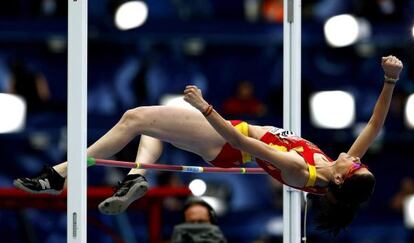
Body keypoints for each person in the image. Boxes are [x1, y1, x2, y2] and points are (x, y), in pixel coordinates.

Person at [13, 55, 403, 235]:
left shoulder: (301, 170)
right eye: (358, 161)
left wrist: (205, 108)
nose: (353, 157)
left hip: (228, 140)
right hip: (229, 139)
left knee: (134, 118)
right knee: (154, 126)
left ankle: (61, 173)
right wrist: (389, 82)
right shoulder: (336, 170)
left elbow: (238, 137)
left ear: (339, 182)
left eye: (354, 165)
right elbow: (374, 123)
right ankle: (135, 175)